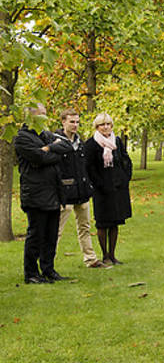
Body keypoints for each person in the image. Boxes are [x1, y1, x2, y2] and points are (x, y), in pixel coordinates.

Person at [14, 103, 72, 284]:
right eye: (42, 114)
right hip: (35, 194)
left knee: (51, 235)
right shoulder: (22, 138)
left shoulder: (45, 135)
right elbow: (37, 158)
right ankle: (31, 273)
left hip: (53, 192)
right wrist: (49, 151)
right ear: (31, 117)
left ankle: (48, 269)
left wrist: (48, 149)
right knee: (36, 235)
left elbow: (66, 147)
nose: (46, 118)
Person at [54, 109, 107, 268]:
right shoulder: (56, 142)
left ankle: (90, 259)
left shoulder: (80, 143)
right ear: (63, 122)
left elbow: (84, 168)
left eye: (77, 122)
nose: (75, 125)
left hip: (82, 192)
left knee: (85, 227)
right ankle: (48, 262)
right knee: (56, 230)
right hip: (65, 194)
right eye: (72, 122)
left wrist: (88, 186)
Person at [84, 113, 132, 265]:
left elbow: (125, 159)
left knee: (115, 222)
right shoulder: (91, 144)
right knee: (103, 223)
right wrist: (99, 184)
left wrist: (125, 177)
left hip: (118, 187)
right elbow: (89, 167)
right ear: (97, 127)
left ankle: (112, 254)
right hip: (102, 189)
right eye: (102, 125)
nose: (106, 127)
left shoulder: (116, 141)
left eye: (108, 124)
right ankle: (104, 255)